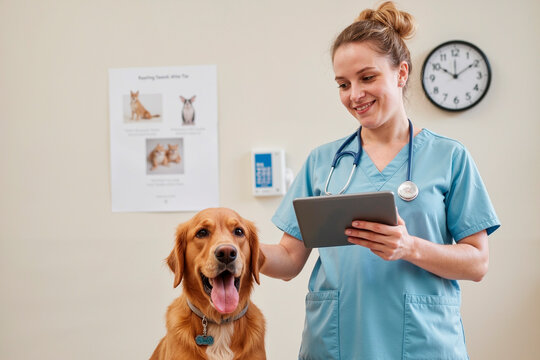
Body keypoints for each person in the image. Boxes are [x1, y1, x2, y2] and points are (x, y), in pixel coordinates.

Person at [259, 2, 500, 359]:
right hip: (338, 342)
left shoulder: (449, 157)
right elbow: (289, 260)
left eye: (367, 78)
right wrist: (235, 250)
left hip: (423, 344)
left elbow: (477, 263)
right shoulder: (323, 162)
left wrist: (410, 247)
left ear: (401, 73)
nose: (354, 94)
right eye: (343, 84)